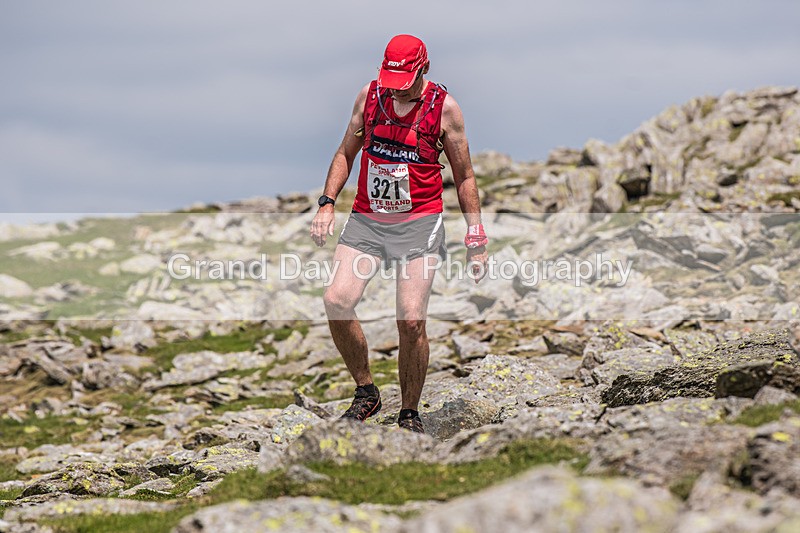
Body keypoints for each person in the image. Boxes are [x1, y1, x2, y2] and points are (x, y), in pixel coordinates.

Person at [310, 34, 488, 433]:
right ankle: (366, 392)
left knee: (410, 320)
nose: (395, 88)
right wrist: (327, 202)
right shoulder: (369, 98)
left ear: (422, 69)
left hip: (419, 223)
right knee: (336, 301)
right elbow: (345, 153)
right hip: (368, 220)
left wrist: (475, 235)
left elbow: (464, 176)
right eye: (390, 78)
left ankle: (409, 413)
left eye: (403, 80)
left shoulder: (446, 110)